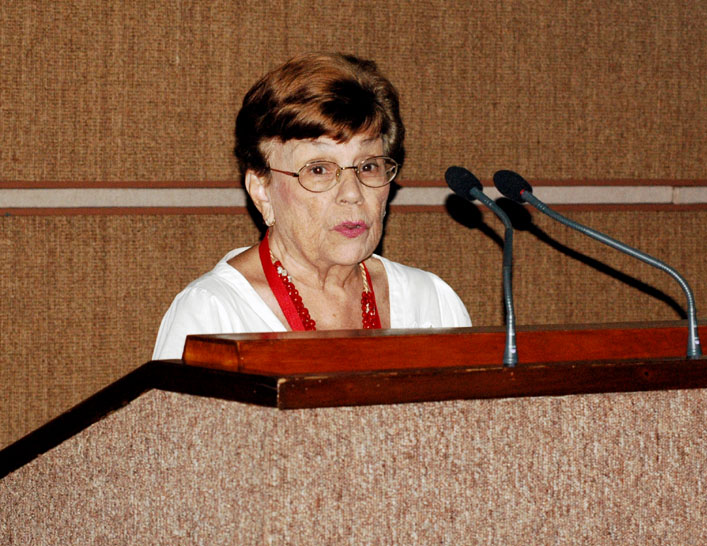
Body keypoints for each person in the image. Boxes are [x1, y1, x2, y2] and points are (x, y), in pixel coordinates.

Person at [153, 53, 471, 360]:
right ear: (262, 191)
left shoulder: (430, 304)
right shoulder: (212, 316)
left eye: (368, 166)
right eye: (319, 169)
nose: (352, 193)